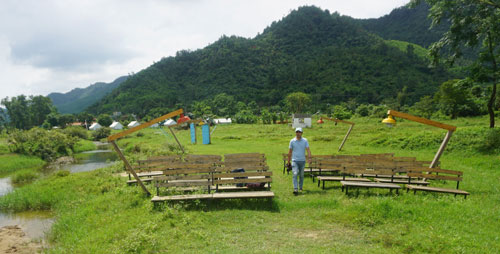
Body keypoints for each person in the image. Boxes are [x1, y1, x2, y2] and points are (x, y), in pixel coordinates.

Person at [287, 127, 312, 195]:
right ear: (295, 133)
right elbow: (290, 152)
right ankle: (295, 188)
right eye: (297, 132)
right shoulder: (292, 141)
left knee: (301, 175)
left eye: (299, 132)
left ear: (301, 133)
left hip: (302, 161)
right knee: (295, 173)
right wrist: (288, 161)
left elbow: (308, 149)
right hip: (294, 160)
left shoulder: (305, 141)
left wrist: (309, 158)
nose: (298, 133)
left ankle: (300, 186)